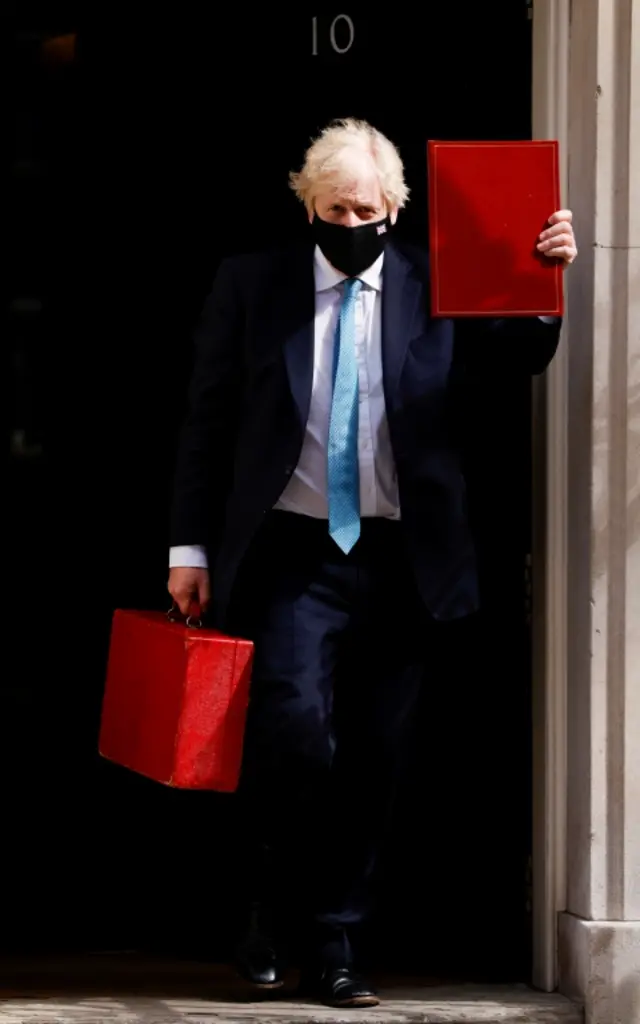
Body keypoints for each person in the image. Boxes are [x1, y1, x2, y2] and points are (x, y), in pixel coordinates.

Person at [168, 118, 577, 1007]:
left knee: (378, 757)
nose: (349, 221)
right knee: (294, 733)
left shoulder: (436, 281)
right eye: (332, 206)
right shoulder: (254, 284)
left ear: (395, 210)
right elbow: (208, 416)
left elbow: (523, 353)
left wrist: (543, 280)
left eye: (365, 207)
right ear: (306, 204)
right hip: (291, 550)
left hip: (402, 555)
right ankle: (270, 906)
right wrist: (188, 547)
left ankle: (341, 946)